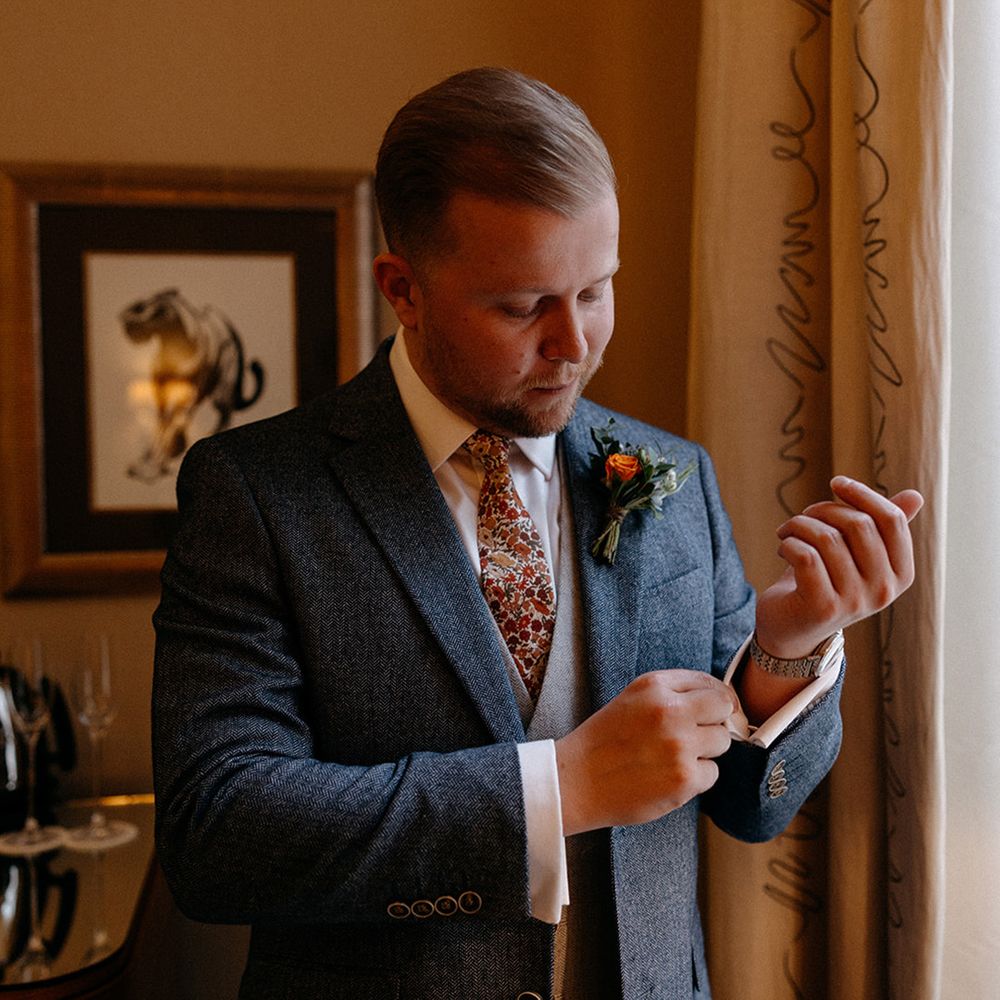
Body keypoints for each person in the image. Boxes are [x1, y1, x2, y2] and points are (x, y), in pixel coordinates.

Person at [152, 67, 922, 1000]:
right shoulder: (258, 493)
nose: (576, 344)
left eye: (596, 290)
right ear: (404, 289)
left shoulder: (671, 473)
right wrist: (561, 787)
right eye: (524, 307)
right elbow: (218, 834)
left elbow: (749, 807)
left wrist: (787, 648)